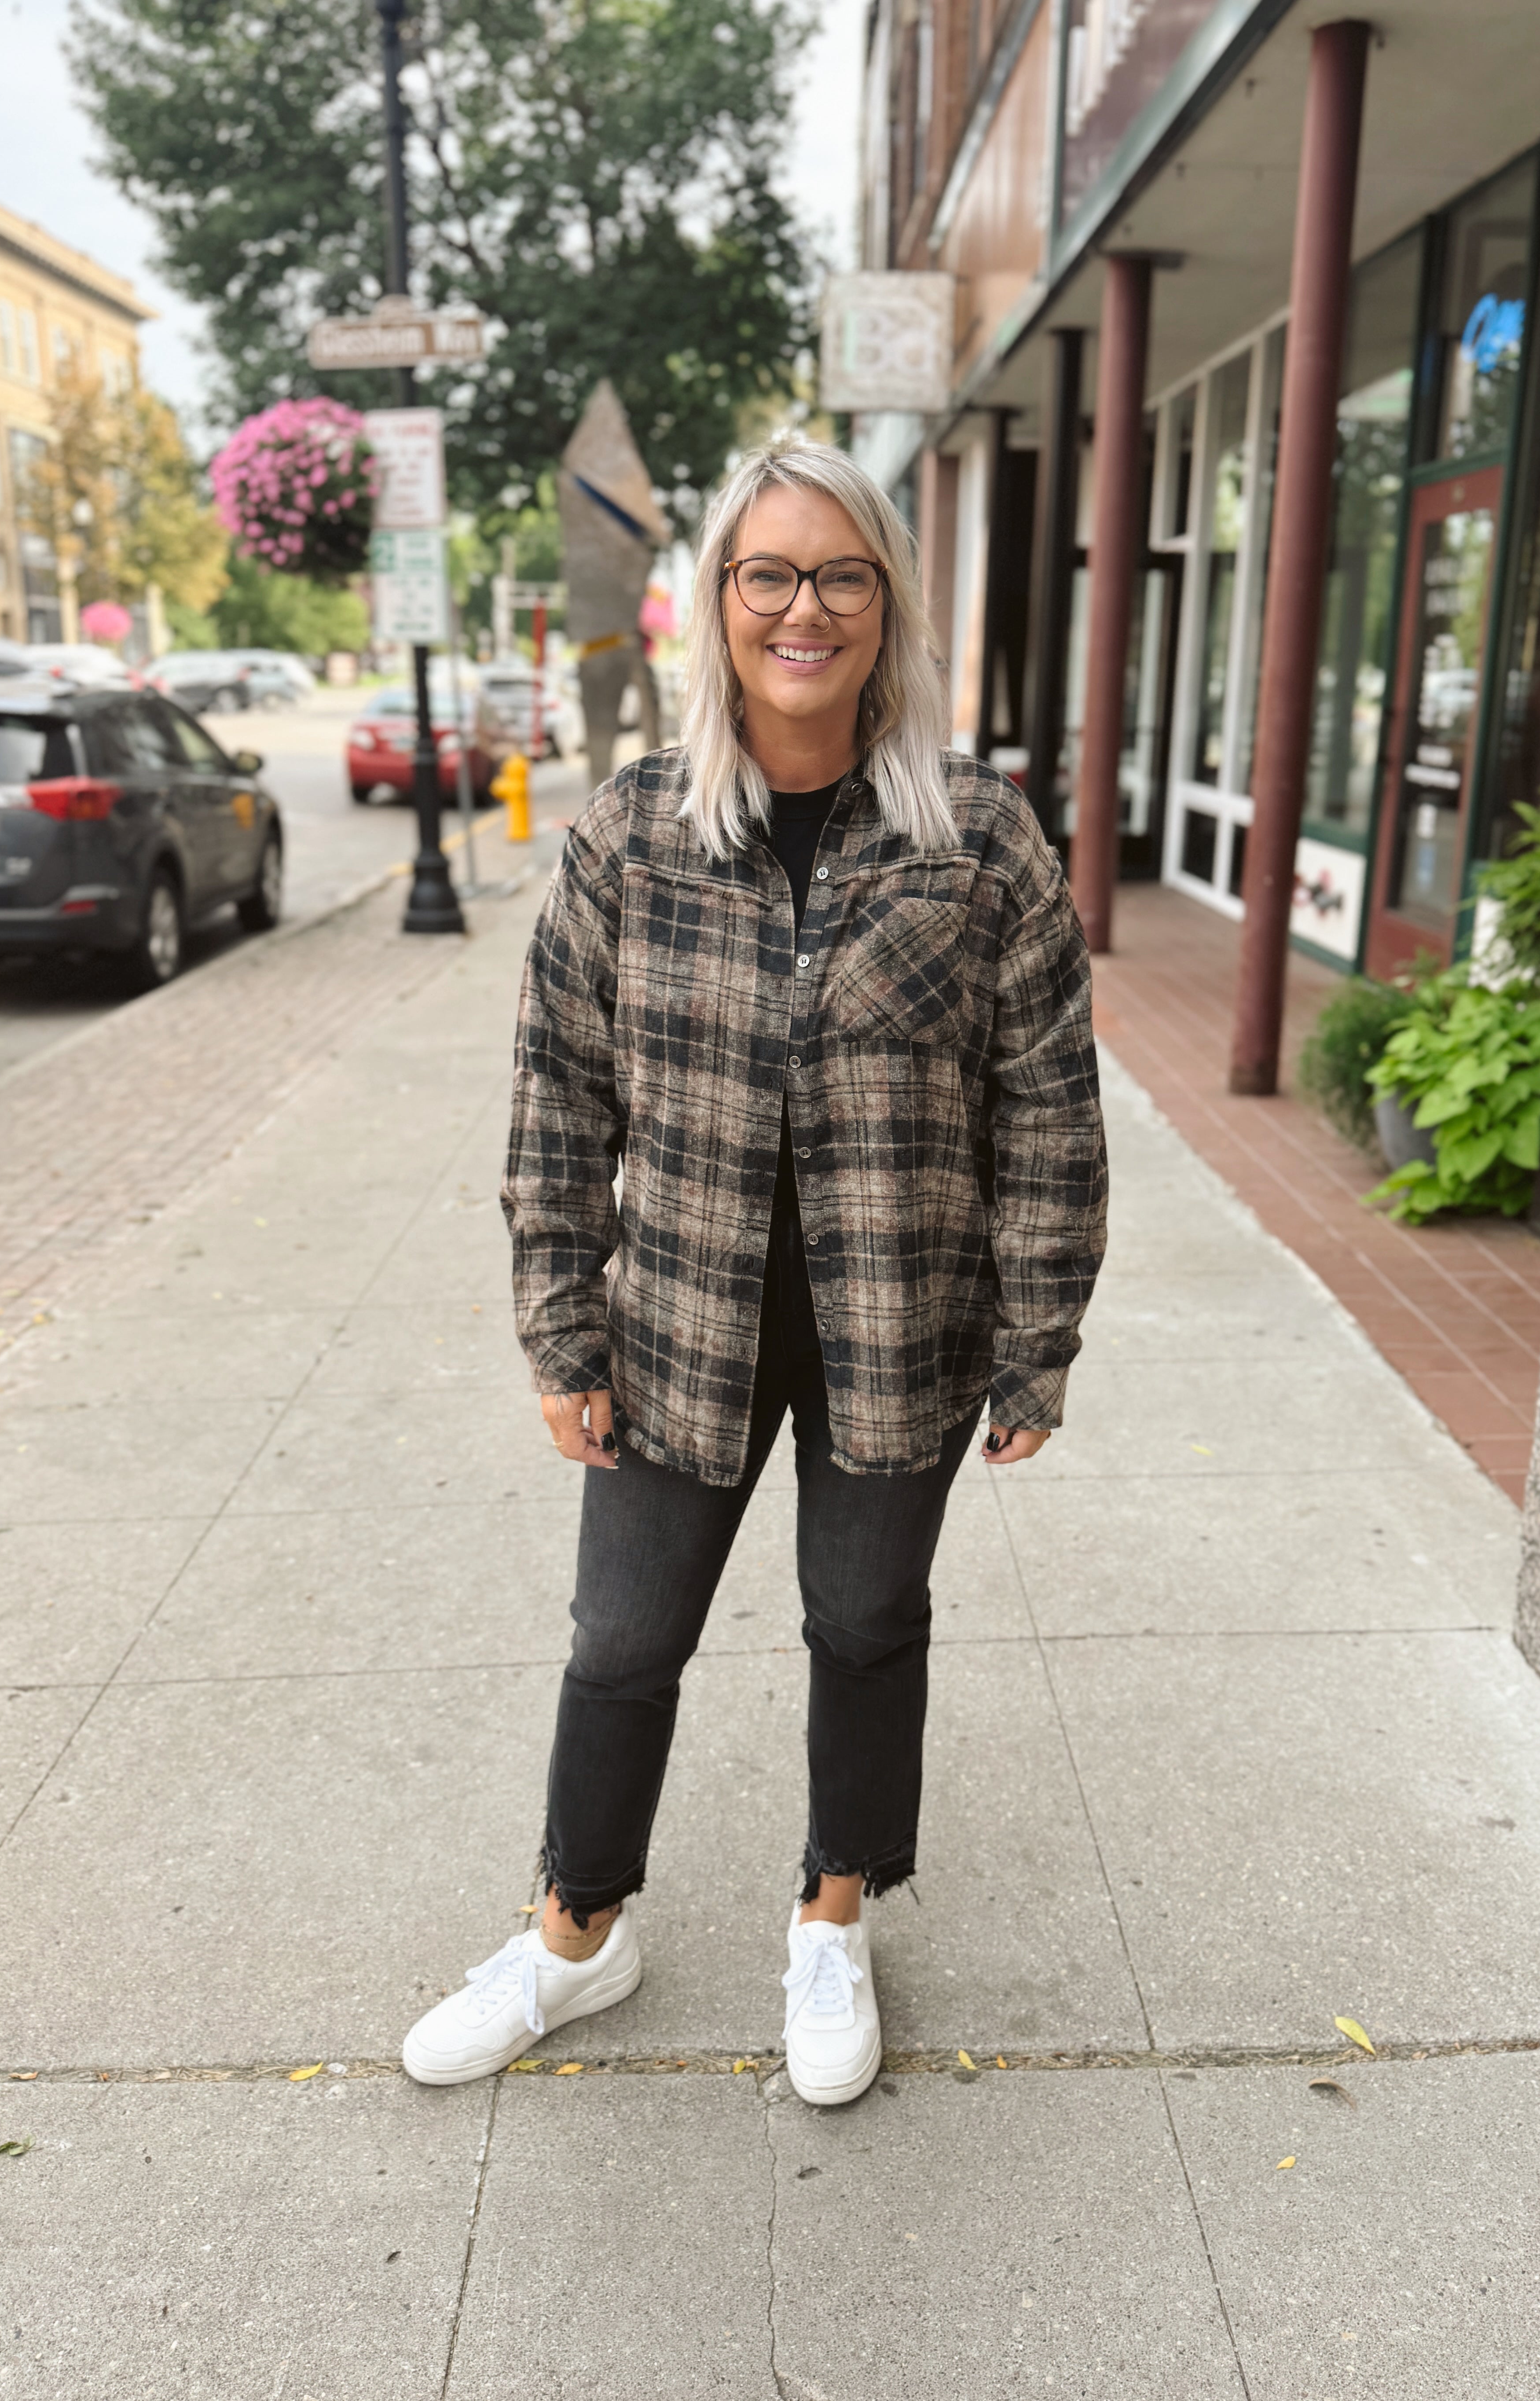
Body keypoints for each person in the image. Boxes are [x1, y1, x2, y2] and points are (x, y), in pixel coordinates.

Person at [403, 437, 1107, 2104]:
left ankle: (833, 1912)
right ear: (718, 602)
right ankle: (580, 1933)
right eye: (767, 574)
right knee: (622, 1638)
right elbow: (559, 1096)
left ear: (889, 603)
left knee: (865, 1621)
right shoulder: (635, 832)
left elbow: (1046, 1103)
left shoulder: (979, 837)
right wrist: (559, 1324)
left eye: (841, 574)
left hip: (899, 1326)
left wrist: (1038, 1338)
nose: (805, 609)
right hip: (676, 1326)